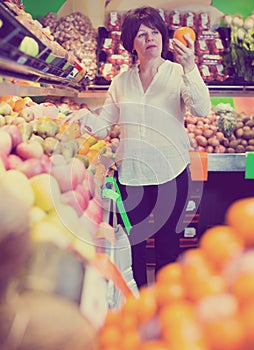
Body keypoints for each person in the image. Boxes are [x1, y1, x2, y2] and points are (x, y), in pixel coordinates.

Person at [65, 6, 211, 288]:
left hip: (173, 173)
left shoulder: (178, 74)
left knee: (169, 244)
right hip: (132, 176)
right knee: (136, 247)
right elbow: (104, 125)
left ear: (163, 37)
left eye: (155, 32)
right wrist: (79, 121)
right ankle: (141, 303)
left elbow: (202, 110)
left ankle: (167, 303)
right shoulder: (121, 82)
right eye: (142, 34)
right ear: (132, 43)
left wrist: (191, 67)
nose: (150, 39)